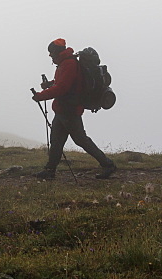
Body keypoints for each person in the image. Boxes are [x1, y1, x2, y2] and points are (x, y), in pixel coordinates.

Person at [32, 39, 116, 180]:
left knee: (81, 140)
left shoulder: (68, 64)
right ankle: (50, 170)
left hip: (69, 109)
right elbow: (63, 83)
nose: (50, 56)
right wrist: (49, 84)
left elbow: (62, 88)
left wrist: (42, 96)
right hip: (63, 109)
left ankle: (108, 165)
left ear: (57, 52)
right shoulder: (65, 63)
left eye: (51, 52)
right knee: (57, 140)